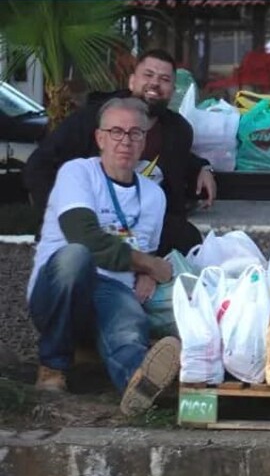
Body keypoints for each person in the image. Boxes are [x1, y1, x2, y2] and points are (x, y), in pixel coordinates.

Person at [28, 97, 181, 416]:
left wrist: (146, 271)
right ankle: (52, 367)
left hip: (112, 289)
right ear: (100, 138)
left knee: (128, 324)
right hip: (59, 289)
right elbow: (84, 236)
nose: (125, 141)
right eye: (116, 132)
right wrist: (149, 265)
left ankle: (140, 383)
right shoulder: (77, 173)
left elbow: (145, 248)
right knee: (77, 257)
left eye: (134, 133)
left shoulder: (153, 194)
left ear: (144, 142)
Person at [24, 49, 217, 257]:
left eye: (164, 79)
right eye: (148, 75)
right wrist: (59, 215)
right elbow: (38, 165)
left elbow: (173, 158)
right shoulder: (93, 119)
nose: (155, 83)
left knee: (189, 239)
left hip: (141, 222)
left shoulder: (178, 130)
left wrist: (201, 167)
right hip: (95, 219)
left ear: (172, 89)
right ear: (132, 81)